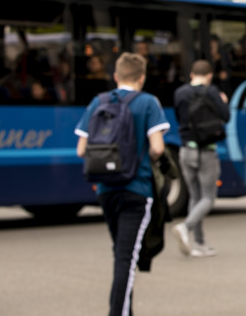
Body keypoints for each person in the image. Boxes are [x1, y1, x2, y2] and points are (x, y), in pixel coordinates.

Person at [75, 52, 169, 316]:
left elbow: (81, 150)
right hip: (136, 190)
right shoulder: (149, 102)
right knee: (126, 260)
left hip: (106, 190)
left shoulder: (98, 102)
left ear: (116, 76)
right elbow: (158, 148)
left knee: (121, 253)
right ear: (142, 78)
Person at [172, 59, 230, 257]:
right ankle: (185, 227)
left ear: (191, 75)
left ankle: (198, 244)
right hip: (206, 151)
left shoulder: (180, 93)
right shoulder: (212, 92)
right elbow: (226, 116)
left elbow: (179, 118)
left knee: (195, 196)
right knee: (208, 197)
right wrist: (223, 102)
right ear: (209, 75)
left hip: (186, 151)